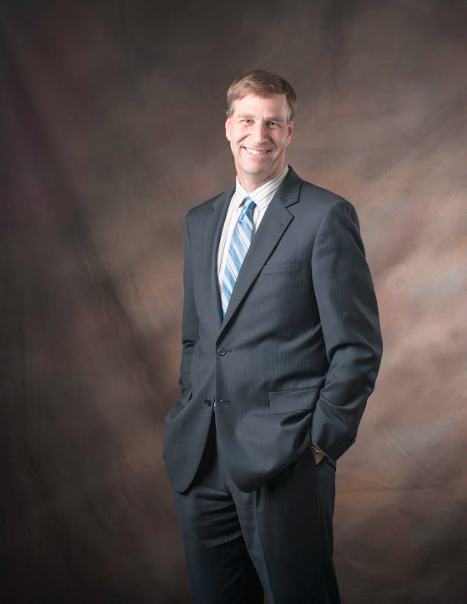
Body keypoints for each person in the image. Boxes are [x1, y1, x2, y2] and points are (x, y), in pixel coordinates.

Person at [163, 70, 383, 604]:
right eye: (247, 120)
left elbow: (357, 348)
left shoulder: (324, 216)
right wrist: (191, 404)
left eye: (272, 123)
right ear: (228, 127)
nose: (257, 135)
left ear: (288, 133)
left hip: (286, 458)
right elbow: (198, 339)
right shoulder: (200, 222)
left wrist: (318, 444)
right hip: (202, 458)